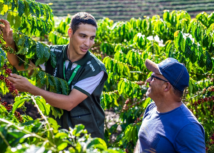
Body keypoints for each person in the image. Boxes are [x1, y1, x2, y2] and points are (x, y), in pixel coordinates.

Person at [0, 12, 108, 139]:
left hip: (86, 134)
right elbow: (19, 64)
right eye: (83, 36)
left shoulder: (95, 68)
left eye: (92, 38)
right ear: (70, 32)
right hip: (58, 129)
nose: (88, 43)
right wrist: (10, 42)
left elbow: (70, 103)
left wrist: (30, 88)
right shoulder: (52, 54)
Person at [134, 58, 205, 153]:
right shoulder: (151, 108)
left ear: (166, 87)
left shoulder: (188, 128)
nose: (148, 80)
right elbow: (142, 143)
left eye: (153, 77)